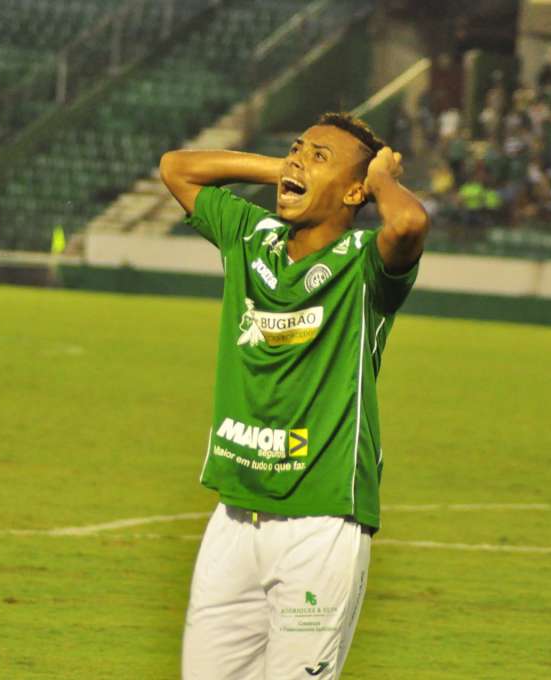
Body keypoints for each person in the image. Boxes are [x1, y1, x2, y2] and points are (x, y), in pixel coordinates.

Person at [160, 112, 428, 680]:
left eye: (319, 157)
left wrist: (382, 179)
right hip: (233, 522)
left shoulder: (364, 267)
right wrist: (287, 169)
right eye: (297, 148)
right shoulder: (249, 237)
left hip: (321, 527)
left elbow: (407, 226)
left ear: (355, 191)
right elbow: (177, 170)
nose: (300, 158)